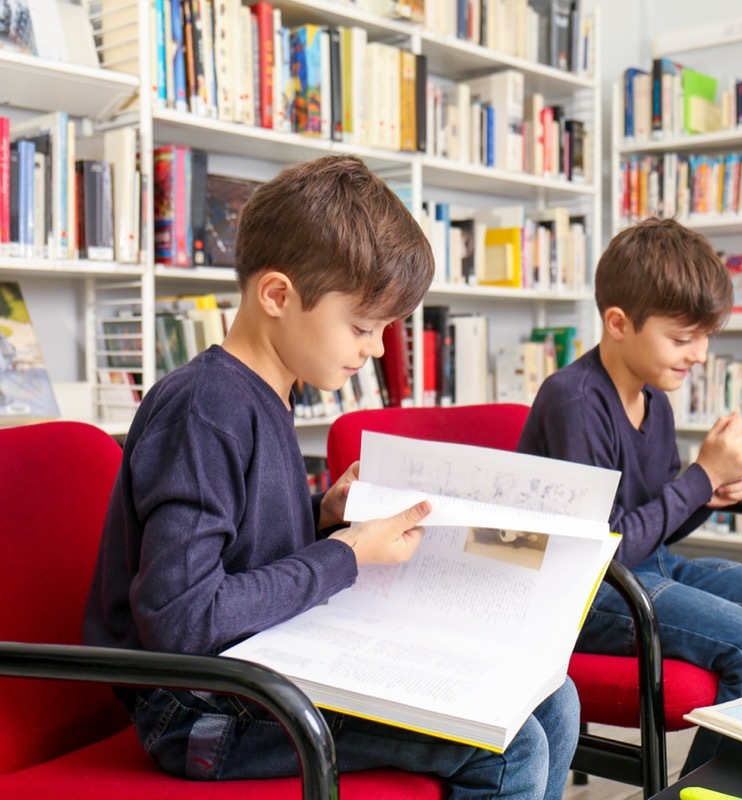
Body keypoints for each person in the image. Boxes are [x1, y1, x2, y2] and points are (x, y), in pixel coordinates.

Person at [83, 155, 579, 799]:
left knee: (554, 700)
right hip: (200, 709)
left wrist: (321, 513)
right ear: (278, 296)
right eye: (362, 327)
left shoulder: (265, 389)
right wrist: (344, 553)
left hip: (263, 664)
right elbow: (183, 619)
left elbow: (232, 541)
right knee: (509, 748)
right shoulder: (206, 407)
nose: (375, 350)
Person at [517, 217, 742, 775]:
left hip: (649, 569)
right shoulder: (573, 399)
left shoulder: (657, 398)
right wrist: (699, 479)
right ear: (618, 323)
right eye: (682, 338)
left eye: (704, 337)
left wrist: (708, 495)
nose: (699, 354)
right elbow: (606, 548)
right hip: (585, 592)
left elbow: (654, 525)